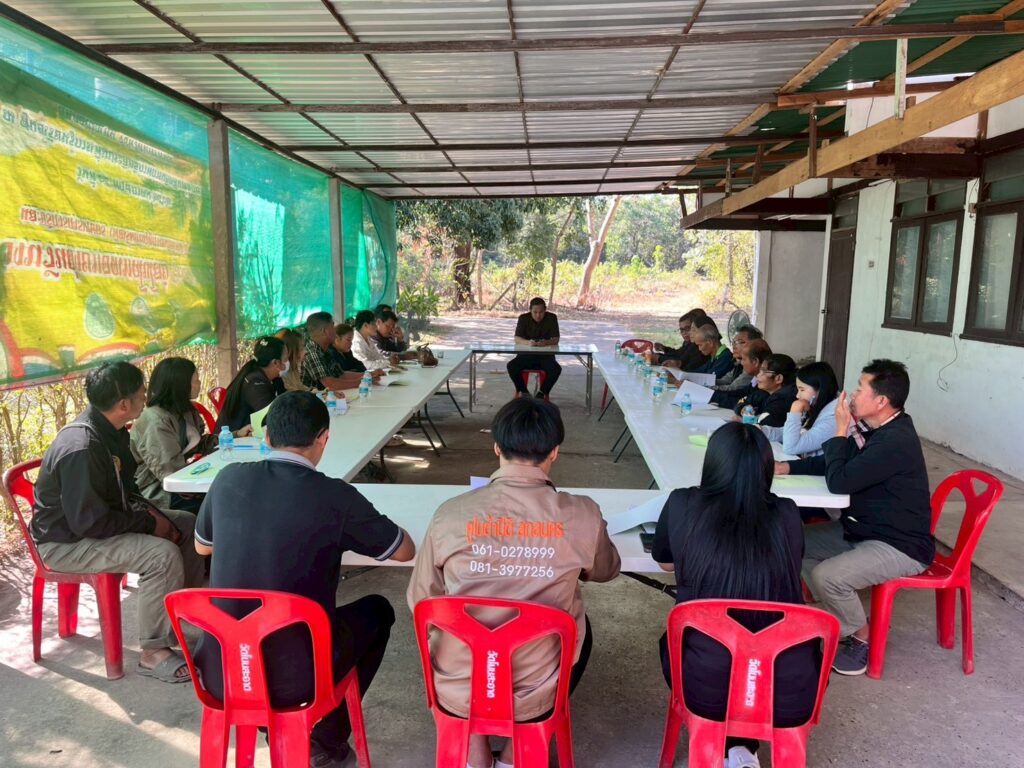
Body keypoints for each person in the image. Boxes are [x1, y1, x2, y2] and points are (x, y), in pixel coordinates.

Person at [194, 391, 416, 767]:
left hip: (221, 670)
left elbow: (203, 547)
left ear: (267, 437)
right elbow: (404, 551)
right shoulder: (335, 496)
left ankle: (275, 726)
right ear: (323, 438)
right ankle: (325, 739)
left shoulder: (228, 478)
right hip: (297, 678)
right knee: (378, 611)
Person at [408, 397, 620, 768]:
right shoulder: (582, 513)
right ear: (554, 452)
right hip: (537, 690)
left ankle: (475, 753)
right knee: (579, 628)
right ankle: (513, 755)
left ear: (496, 448)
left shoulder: (450, 513)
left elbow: (421, 601)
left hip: (458, 686)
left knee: (454, 639)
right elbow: (607, 570)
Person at [652, 422, 819, 768]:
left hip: (702, 687)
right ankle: (741, 749)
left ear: (713, 463)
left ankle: (734, 747)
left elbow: (666, 562)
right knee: (747, 647)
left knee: (689, 642)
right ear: (766, 469)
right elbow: (791, 564)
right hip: (790, 691)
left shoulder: (682, 502)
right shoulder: (788, 513)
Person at [30, 362, 204, 683]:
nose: (146, 398)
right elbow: (89, 523)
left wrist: (153, 516)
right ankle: (153, 652)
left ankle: (183, 613)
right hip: (66, 544)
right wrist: (148, 524)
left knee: (187, 524)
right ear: (124, 404)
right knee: (160, 555)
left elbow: (126, 492)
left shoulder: (112, 432)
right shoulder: (82, 448)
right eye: (142, 394)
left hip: (94, 526)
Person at [776, 360, 934, 676]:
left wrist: (839, 430)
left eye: (860, 389)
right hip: (863, 529)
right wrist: (788, 467)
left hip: (899, 544)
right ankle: (838, 617)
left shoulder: (894, 441)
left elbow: (840, 481)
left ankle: (862, 636)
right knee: (793, 542)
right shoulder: (875, 430)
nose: (852, 395)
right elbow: (836, 462)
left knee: (828, 576)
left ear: (881, 401)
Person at [131, 357, 224, 513]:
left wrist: (234, 436)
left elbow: (198, 443)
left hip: (181, 482)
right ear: (181, 384)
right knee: (221, 501)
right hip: (159, 494)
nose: (200, 383)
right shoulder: (155, 420)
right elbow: (171, 473)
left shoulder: (185, 411)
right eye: (196, 380)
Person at [762, 361, 840, 457]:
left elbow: (790, 447)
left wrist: (795, 411)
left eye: (802, 389)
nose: (798, 395)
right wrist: (762, 431)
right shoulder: (817, 407)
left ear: (821, 390)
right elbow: (789, 434)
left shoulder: (833, 418)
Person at [213, 336, 286, 434]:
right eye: (286, 359)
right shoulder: (254, 383)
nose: (287, 363)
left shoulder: (270, 378)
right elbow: (273, 416)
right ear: (275, 362)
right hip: (232, 440)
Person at [508, 297, 561, 399]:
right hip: (525, 356)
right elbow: (517, 338)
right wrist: (528, 343)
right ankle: (524, 392)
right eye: (535, 312)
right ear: (530, 310)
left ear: (545, 310)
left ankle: (541, 393)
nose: (538, 315)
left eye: (541, 312)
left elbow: (556, 339)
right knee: (511, 366)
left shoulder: (552, 318)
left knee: (556, 369)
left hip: (546, 357)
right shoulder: (523, 318)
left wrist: (545, 343)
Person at [301, 311, 368, 391]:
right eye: (333, 326)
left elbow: (341, 374)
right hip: (313, 398)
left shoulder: (325, 349)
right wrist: (363, 381)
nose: (335, 330)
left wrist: (367, 375)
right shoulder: (312, 352)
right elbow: (330, 384)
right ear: (325, 331)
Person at [732, 353, 797, 428]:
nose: (758, 375)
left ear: (778, 378)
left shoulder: (783, 400)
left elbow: (766, 421)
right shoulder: (765, 391)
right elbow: (742, 401)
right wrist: (744, 409)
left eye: (763, 371)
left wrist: (744, 420)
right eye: (760, 371)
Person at [710, 339, 771, 410]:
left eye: (744, 359)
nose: (741, 363)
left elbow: (745, 404)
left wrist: (713, 396)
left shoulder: (765, 386)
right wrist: (712, 394)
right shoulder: (756, 380)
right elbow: (741, 393)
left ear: (755, 361)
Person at [275, 327, 309, 392]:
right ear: (291, 352)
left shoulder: (293, 368)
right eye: (301, 348)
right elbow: (296, 393)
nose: (306, 352)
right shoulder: (281, 375)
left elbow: (301, 388)